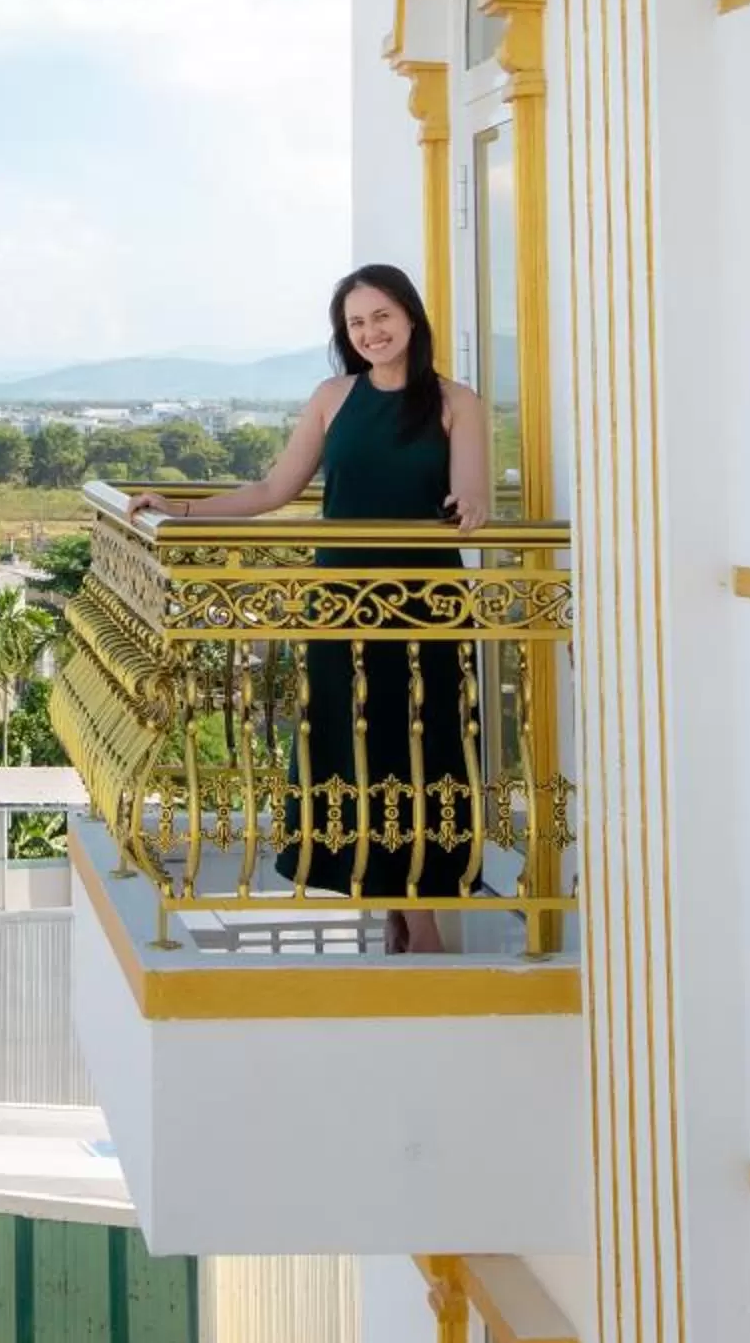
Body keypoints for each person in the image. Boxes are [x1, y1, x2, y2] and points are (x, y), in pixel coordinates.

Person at [134, 263, 488, 953]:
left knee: (421, 749)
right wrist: (176, 508)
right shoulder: (331, 397)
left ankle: (416, 918)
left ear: (411, 317)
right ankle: (403, 912)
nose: (371, 332)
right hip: (341, 606)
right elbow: (271, 490)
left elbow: (470, 491)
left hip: (426, 608)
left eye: (381, 316)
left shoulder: (455, 400)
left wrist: (469, 505)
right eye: (356, 323)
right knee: (351, 749)